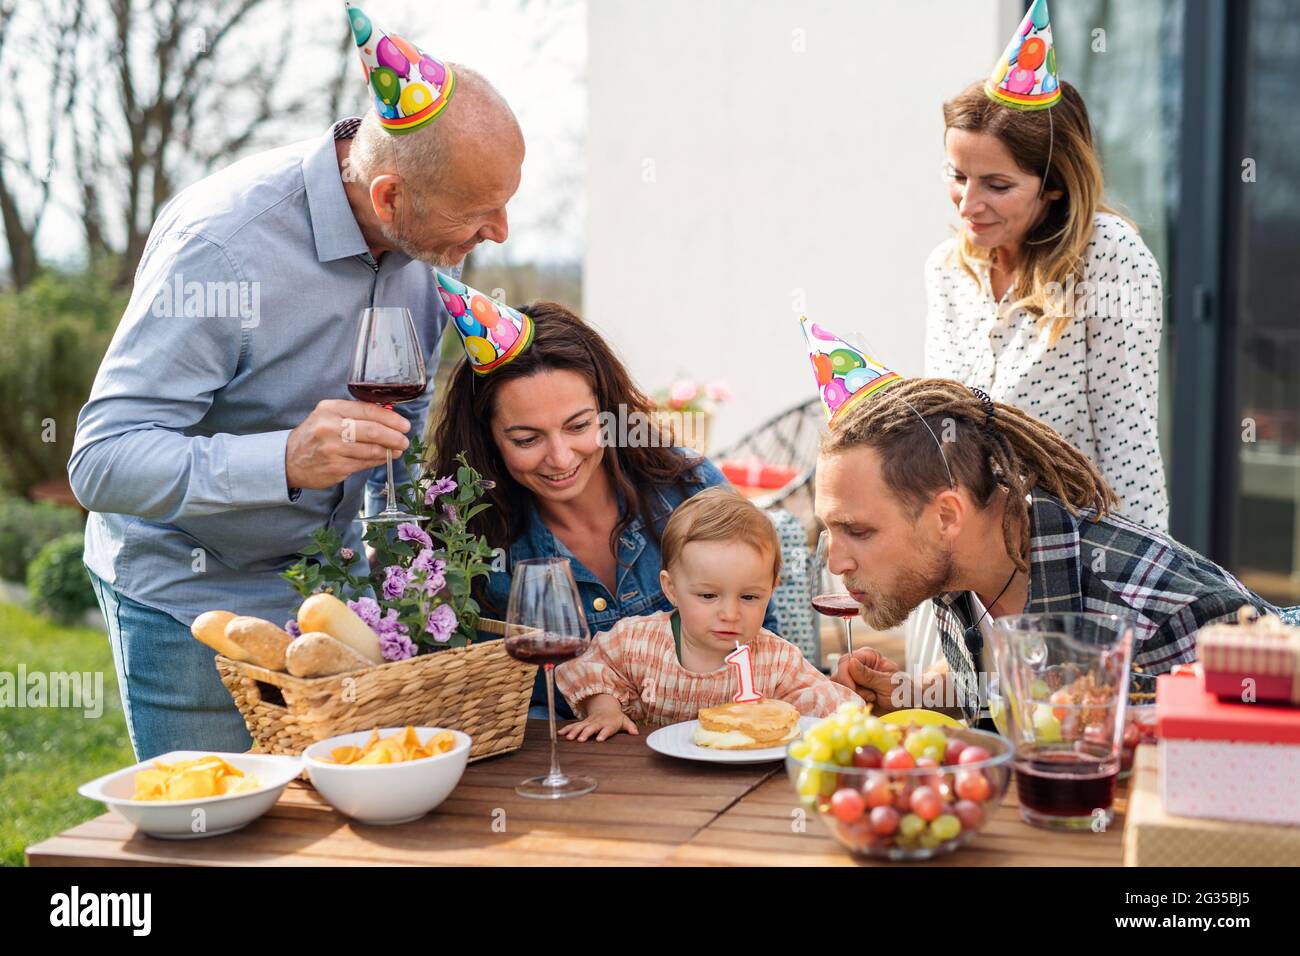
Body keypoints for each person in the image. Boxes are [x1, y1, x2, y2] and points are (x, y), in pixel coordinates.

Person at [67, 5, 525, 760]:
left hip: (341, 603)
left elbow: (399, 436)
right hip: (194, 605)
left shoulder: (431, 232)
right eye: (482, 213)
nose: (500, 232)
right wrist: (284, 459)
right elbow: (101, 461)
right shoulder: (223, 247)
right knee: (219, 831)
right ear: (389, 197)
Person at [915, 0, 1168, 674]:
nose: (969, 205)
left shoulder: (1109, 257)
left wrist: (1136, 612)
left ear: (1053, 188)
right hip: (971, 573)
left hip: (1078, 571)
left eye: (997, 184)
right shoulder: (947, 270)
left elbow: (1128, 443)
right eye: (957, 177)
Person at [815, 374, 1300, 722]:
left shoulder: (1161, 612)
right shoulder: (953, 563)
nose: (836, 562)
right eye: (828, 530)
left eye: (858, 531)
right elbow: (1010, 693)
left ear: (947, 515)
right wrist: (919, 694)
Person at [429, 291, 780, 719]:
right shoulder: (470, 543)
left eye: (578, 426)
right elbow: (484, 700)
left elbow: (769, 644)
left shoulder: (689, 487)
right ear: (488, 440)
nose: (560, 458)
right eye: (526, 439)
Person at [554, 488, 857, 740]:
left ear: (772, 589)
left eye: (749, 596)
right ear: (671, 589)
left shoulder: (777, 661)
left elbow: (831, 710)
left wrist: (848, 700)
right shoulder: (636, 641)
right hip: (651, 782)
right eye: (708, 596)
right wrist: (605, 709)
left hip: (747, 782)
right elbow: (592, 666)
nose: (730, 613)